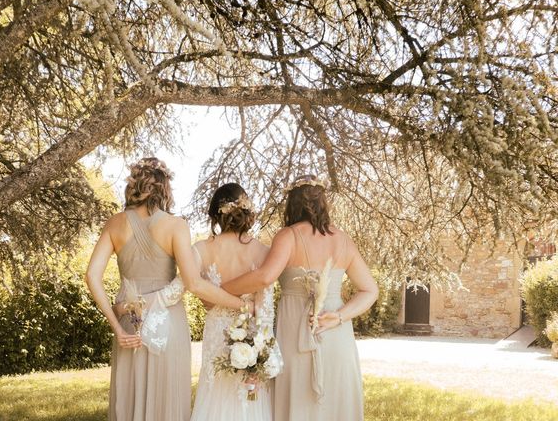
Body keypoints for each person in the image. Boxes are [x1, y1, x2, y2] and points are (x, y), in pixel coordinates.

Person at [85, 158, 249, 421]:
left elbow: (92, 276)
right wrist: (239, 303)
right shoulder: (175, 226)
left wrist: (117, 327)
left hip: (129, 321)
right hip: (168, 320)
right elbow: (193, 283)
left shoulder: (114, 224)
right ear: (164, 188)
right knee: (167, 398)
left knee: (130, 395)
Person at [223, 175, 378, 421]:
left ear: (292, 203)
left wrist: (223, 289)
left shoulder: (288, 236)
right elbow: (370, 290)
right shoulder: (343, 240)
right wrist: (338, 317)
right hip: (336, 335)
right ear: (323, 203)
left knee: (299, 401)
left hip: (296, 334)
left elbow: (264, 277)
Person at [191, 183, 282, 421]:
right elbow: (265, 310)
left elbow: (203, 297)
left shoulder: (201, 249)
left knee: (215, 392)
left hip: (216, 334)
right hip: (253, 334)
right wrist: (262, 355)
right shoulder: (264, 252)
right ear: (247, 212)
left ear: (215, 215)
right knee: (249, 398)